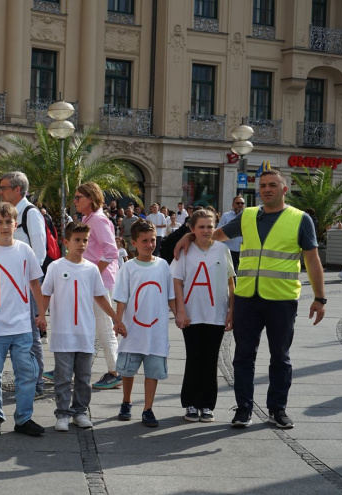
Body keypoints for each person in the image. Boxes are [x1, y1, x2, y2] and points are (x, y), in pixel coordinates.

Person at [174, 169, 326, 429]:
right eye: (262, 186)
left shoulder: (300, 219)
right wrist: (190, 235)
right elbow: (217, 235)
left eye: (272, 185)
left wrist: (320, 297)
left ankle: (277, 409)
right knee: (243, 357)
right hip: (246, 299)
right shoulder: (248, 215)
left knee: (281, 357)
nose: (267, 189)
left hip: (281, 300)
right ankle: (244, 408)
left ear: (284, 189)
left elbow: (312, 259)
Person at [38, 222, 125, 432]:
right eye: (77, 240)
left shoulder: (91, 269)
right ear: (66, 242)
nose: (82, 244)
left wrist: (115, 318)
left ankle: (80, 411)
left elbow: (100, 296)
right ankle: (62, 413)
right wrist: (41, 315)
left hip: (84, 332)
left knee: (84, 377)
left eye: (85, 240)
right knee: (63, 376)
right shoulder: (56, 267)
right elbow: (45, 293)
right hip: (62, 332)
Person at [0, 203, 47, 437]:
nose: (4, 226)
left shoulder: (25, 250)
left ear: (15, 224)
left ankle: (24, 418)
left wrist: (41, 312)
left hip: (21, 326)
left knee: (26, 372)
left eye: (8, 222)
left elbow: (35, 284)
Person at [171, 209, 234, 423]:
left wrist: (231, 310)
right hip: (192, 314)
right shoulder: (185, 250)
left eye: (210, 226)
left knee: (210, 360)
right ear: (192, 229)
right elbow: (177, 281)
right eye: (201, 227)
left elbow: (230, 282)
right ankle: (190, 402)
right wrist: (180, 310)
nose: (206, 230)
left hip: (216, 314)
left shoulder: (222, 250)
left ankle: (207, 404)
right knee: (194, 358)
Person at [113, 220, 178, 427]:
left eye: (152, 240)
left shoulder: (163, 265)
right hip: (133, 330)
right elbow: (122, 297)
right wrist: (118, 321)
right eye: (144, 241)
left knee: (153, 372)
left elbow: (170, 296)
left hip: (156, 331)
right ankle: (126, 401)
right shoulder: (128, 268)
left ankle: (148, 408)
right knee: (128, 370)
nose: (149, 244)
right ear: (134, 242)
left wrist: (178, 315)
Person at [0, 171, 48, 399]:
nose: (0, 192)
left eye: (4, 187)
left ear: (17, 189)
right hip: (9, 286)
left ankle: (37, 383)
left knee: (31, 334)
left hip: (27, 286)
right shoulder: (10, 214)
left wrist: (27, 284)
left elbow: (39, 253)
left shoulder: (30, 213)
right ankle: (20, 378)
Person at [72, 183, 123, 391]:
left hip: (101, 282)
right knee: (84, 327)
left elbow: (111, 252)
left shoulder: (99, 220)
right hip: (93, 280)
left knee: (104, 329)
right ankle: (68, 369)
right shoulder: (88, 219)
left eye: (78, 198)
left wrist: (92, 275)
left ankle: (115, 372)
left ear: (90, 199)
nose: (75, 201)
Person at [217, 196, 245, 272]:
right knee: (230, 272)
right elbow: (219, 232)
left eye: (242, 203)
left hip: (243, 251)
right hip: (230, 250)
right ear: (233, 205)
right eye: (237, 203)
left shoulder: (247, 216)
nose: (240, 205)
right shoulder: (226, 216)